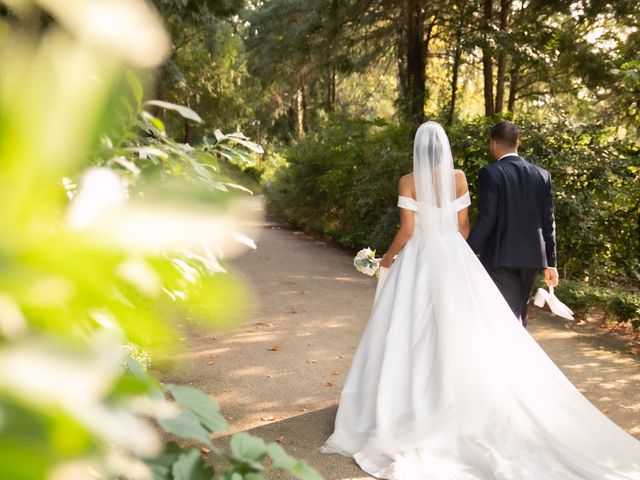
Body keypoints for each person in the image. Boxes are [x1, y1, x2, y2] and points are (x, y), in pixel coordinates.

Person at [320, 121, 640, 480]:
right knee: (476, 328)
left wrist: (386, 260)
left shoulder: (408, 181)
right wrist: (460, 256)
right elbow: (464, 226)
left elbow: (408, 231)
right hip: (461, 257)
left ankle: (409, 403)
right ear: (444, 149)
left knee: (410, 328)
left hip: (421, 261)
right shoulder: (459, 177)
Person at [468, 121, 557, 327]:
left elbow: (487, 217)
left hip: (501, 257)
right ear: (518, 142)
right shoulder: (542, 175)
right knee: (519, 315)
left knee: (505, 319)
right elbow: (549, 221)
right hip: (532, 259)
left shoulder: (490, 173)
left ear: (494, 143)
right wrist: (550, 263)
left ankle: (513, 357)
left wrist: (467, 250)